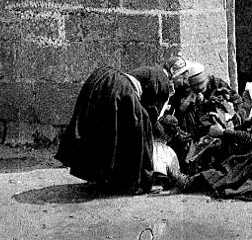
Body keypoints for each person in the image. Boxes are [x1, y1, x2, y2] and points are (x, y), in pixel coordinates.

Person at [55, 63, 172, 193]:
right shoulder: (162, 79)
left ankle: (103, 177)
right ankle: (139, 183)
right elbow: (151, 116)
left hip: (103, 80)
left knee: (105, 132)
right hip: (119, 88)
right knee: (142, 131)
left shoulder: (152, 72)